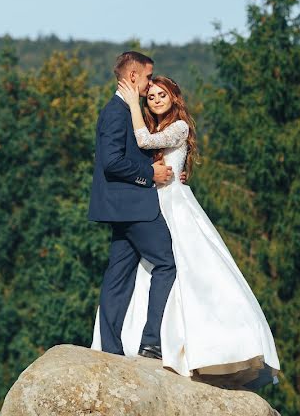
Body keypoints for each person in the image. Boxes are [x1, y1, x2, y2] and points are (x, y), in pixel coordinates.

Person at [91, 74, 281, 389]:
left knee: (188, 269)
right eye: (150, 97)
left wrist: (133, 104)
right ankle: (142, 339)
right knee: (146, 272)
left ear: (174, 97)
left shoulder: (178, 128)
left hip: (173, 205)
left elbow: (145, 142)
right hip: (150, 204)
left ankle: (181, 345)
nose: (155, 100)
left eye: (160, 95)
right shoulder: (151, 126)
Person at [88, 51, 176, 360]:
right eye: (149, 76)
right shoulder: (116, 112)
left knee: (118, 277)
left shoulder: (126, 109)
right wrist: (149, 174)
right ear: (134, 76)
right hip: (135, 207)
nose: (151, 82)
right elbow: (111, 162)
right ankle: (151, 342)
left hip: (123, 208)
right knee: (167, 264)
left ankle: (110, 350)